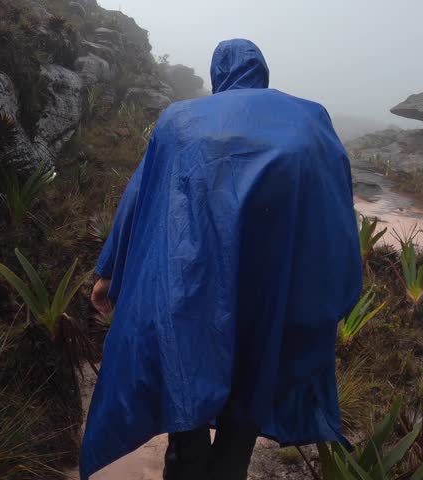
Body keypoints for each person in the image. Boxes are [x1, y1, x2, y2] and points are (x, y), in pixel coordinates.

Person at [80, 39, 363, 480]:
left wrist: (107, 270)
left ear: (218, 74)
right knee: (245, 406)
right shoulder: (311, 119)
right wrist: (339, 289)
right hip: (268, 292)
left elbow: (142, 195)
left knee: (186, 398)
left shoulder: (179, 119)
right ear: (262, 71)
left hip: (190, 289)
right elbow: (335, 205)